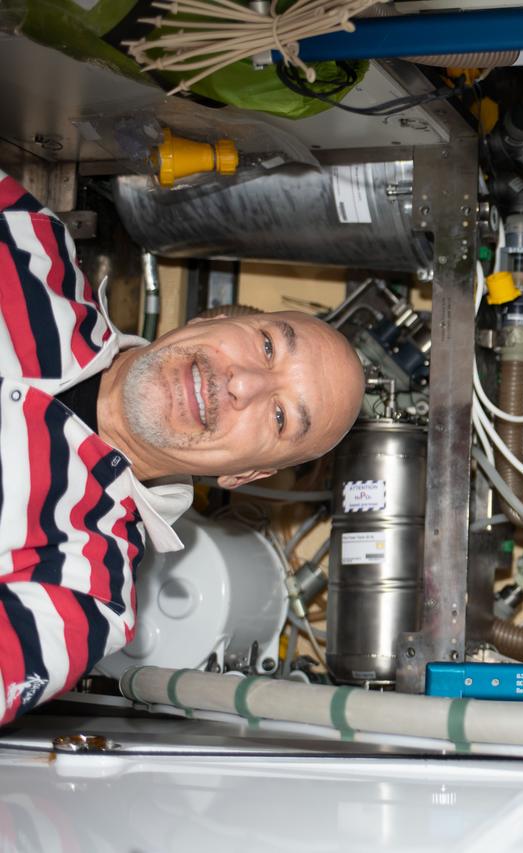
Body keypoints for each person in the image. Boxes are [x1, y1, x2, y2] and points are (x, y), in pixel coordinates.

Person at [0, 169, 365, 724]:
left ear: (244, 477)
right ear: (215, 317)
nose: (245, 383)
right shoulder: (29, 245)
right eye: (266, 345)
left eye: (279, 416)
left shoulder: (78, 595)